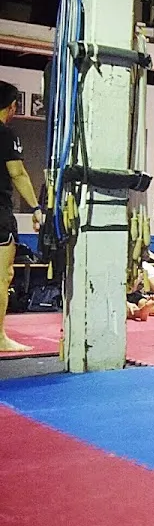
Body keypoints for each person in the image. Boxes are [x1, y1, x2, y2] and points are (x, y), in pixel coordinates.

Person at [1, 81, 42, 353]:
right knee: (2, 275)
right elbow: (17, 173)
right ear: (13, 106)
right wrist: (36, 208)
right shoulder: (5, 134)